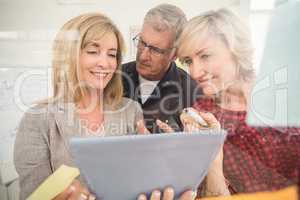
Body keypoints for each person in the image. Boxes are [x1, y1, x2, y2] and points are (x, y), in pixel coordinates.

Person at [14, 12, 196, 200]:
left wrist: (158, 158)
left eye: (112, 54)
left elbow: (143, 184)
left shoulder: (131, 111)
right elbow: (32, 194)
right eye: (93, 52)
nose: (105, 63)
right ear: (69, 55)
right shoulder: (37, 119)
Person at [176, 8, 300, 194]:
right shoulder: (202, 117)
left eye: (205, 56)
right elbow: (213, 195)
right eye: (188, 61)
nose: (194, 72)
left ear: (235, 49)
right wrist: (211, 156)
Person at [122, 4, 202, 133]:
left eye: (156, 50)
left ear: (175, 55)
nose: (143, 56)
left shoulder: (193, 93)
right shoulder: (114, 78)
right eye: (142, 42)